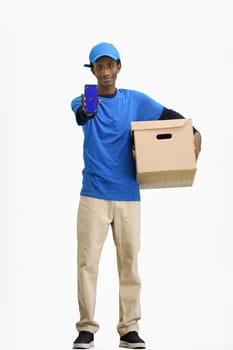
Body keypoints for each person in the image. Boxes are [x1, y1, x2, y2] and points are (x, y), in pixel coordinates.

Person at [71, 42, 201, 349]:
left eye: (108, 65)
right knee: (87, 263)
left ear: (118, 66)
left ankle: (129, 329)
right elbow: (82, 114)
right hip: (93, 195)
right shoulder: (84, 99)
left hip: (129, 195)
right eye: (98, 67)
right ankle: (86, 329)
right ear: (92, 71)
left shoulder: (135, 101)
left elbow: (170, 116)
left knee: (129, 264)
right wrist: (88, 108)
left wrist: (196, 131)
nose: (104, 72)